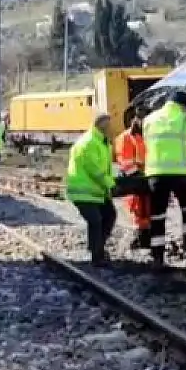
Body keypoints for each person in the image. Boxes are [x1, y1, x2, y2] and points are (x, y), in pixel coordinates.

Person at [144, 90, 186, 265]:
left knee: (158, 215)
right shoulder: (185, 120)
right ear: (183, 106)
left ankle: (158, 256)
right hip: (180, 173)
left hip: (156, 174)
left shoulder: (150, 119)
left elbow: (147, 142)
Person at [65, 113, 116, 265]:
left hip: (95, 191)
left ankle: (97, 247)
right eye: (109, 126)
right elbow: (94, 169)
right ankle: (96, 255)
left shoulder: (101, 142)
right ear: (101, 126)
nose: (111, 129)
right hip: (83, 191)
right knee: (96, 220)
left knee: (109, 215)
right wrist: (111, 184)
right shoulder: (88, 143)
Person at [114, 109, 151, 250]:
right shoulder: (125, 138)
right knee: (139, 212)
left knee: (149, 211)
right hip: (136, 182)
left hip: (146, 180)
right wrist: (140, 175)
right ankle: (140, 239)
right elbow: (126, 163)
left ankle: (146, 239)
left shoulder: (147, 136)